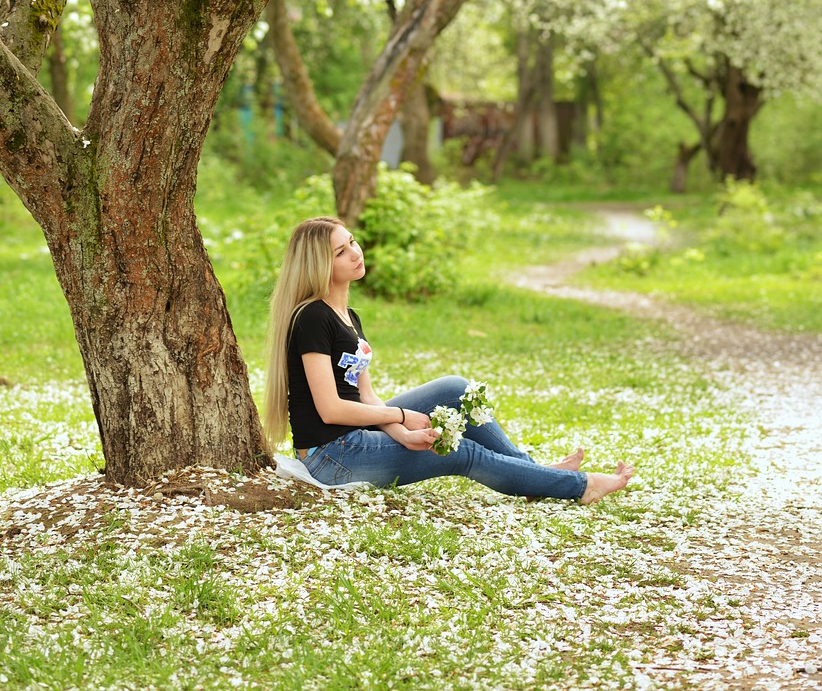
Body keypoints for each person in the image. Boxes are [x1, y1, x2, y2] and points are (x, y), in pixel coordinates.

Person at [263, 216, 634, 504]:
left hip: (355, 436)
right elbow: (331, 410)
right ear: (318, 265)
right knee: (457, 450)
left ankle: (529, 473)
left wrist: (403, 434)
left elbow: (367, 398)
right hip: (332, 456)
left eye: (352, 242)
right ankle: (578, 486)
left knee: (456, 389)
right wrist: (402, 418)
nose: (355, 253)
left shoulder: (348, 315)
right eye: (340, 252)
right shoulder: (312, 317)